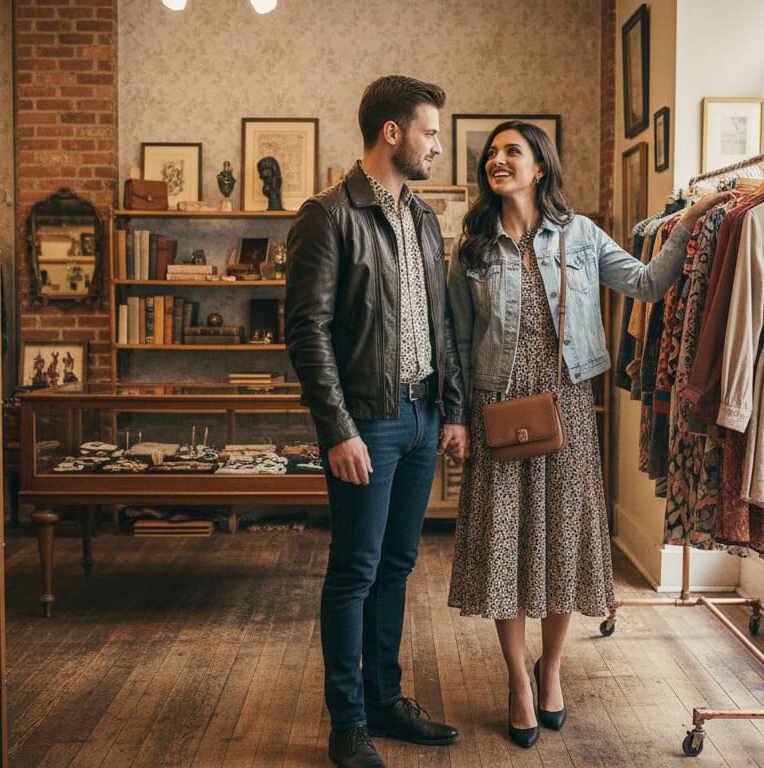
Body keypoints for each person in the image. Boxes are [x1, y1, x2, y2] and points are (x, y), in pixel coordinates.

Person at [445, 120, 730, 748]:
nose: (498, 161)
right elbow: (458, 345)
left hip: (567, 409)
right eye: (491, 154)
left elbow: (649, 283)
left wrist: (692, 222)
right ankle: (518, 679)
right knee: (505, 549)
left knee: (562, 542)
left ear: (540, 166)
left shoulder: (581, 236)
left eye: (511, 152)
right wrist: (455, 418)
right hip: (497, 408)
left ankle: (552, 668)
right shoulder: (471, 250)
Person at [285, 75, 469, 768]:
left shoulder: (420, 216)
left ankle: (386, 699)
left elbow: (439, 323)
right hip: (368, 420)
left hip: (422, 418)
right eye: (430, 132)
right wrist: (338, 430)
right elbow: (307, 332)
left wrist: (449, 411)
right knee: (355, 570)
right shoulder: (327, 215)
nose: (437, 145)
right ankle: (348, 722)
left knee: (398, 564)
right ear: (392, 133)